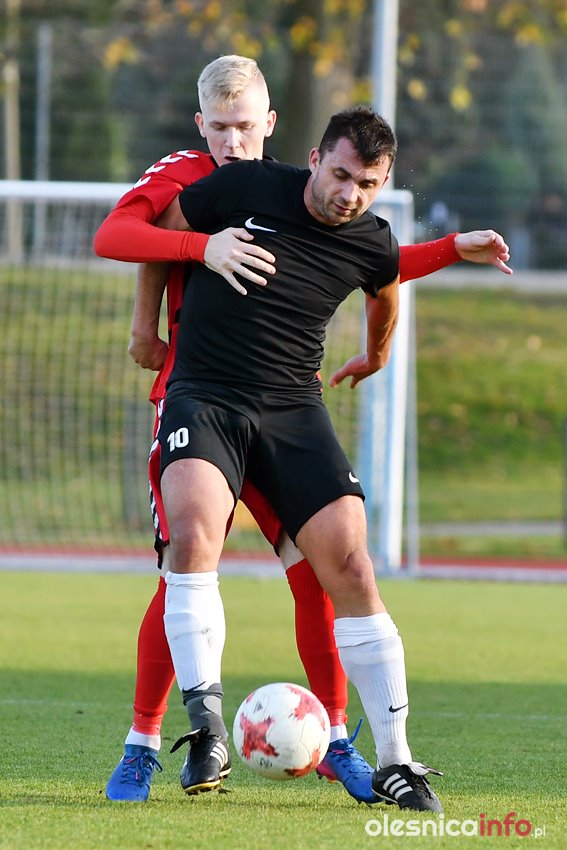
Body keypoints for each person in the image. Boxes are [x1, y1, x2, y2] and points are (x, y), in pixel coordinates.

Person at [94, 58, 512, 805]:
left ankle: (369, 751)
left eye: (367, 184)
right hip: (203, 396)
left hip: (290, 410)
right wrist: (175, 284)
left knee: (339, 569)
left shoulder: (361, 230)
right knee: (189, 548)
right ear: (314, 158)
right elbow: (134, 236)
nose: (349, 193)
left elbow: (383, 276)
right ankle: (174, 736)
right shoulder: (227, 183)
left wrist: (383, 344)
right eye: (340, 175)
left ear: (272, 125)